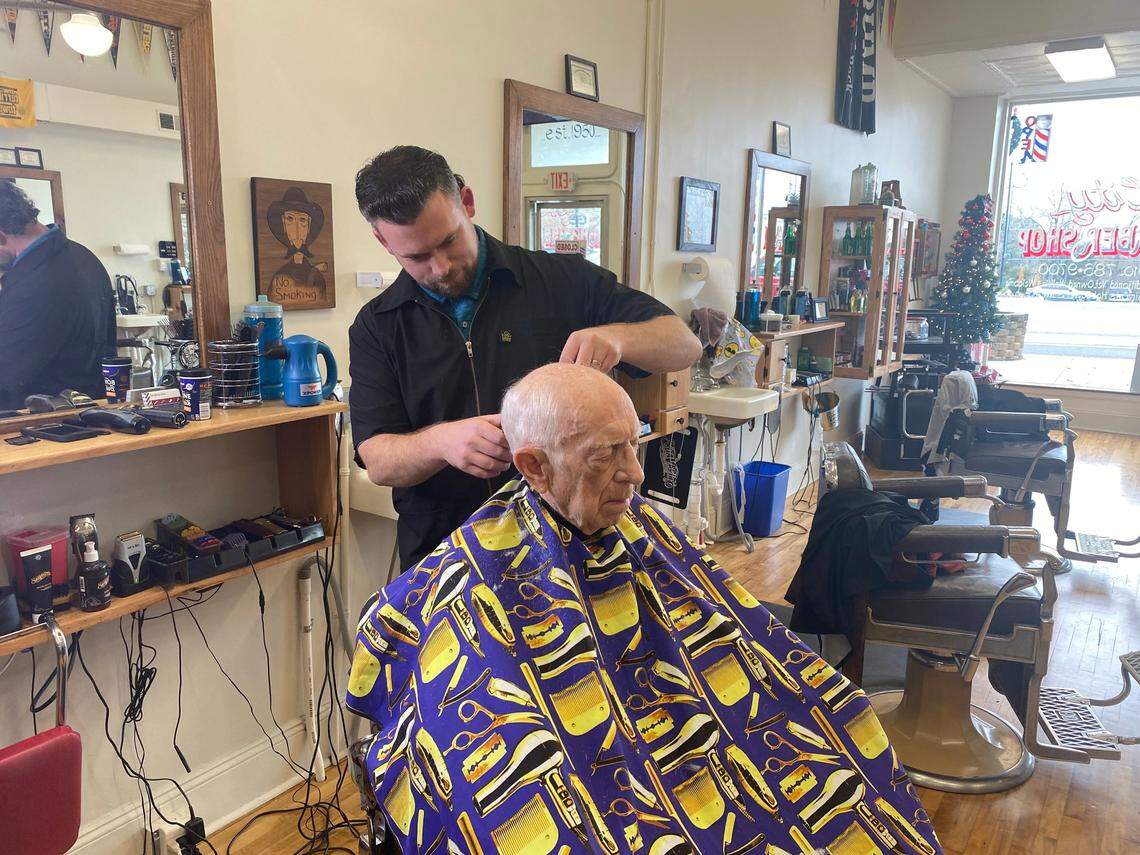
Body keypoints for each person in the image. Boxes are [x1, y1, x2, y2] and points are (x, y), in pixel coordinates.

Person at [346, 363, 942, 855]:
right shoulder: (476, 567)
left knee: (840, 715)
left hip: (698, 729)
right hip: (601, 768)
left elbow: (734, 626)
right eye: (607, 454)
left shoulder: (639, 527)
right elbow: (400, 638)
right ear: (533, 466)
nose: (634, 473)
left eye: (635, 443)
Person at [349, 145, 702, 568]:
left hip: (574, 550)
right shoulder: (378, 327)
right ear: (383, 240)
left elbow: (684, 344)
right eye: (417, 257)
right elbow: (379, 460)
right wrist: (441, 442)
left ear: (467, 202)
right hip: (447, 560)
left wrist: (619, 338)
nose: (440, 268)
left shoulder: (561, 281)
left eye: (448, 241)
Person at [0, 179, 115, 411]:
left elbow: (7, 374)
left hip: (44, 419)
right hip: (91, 406)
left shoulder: (34, 283)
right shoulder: (83, 256)